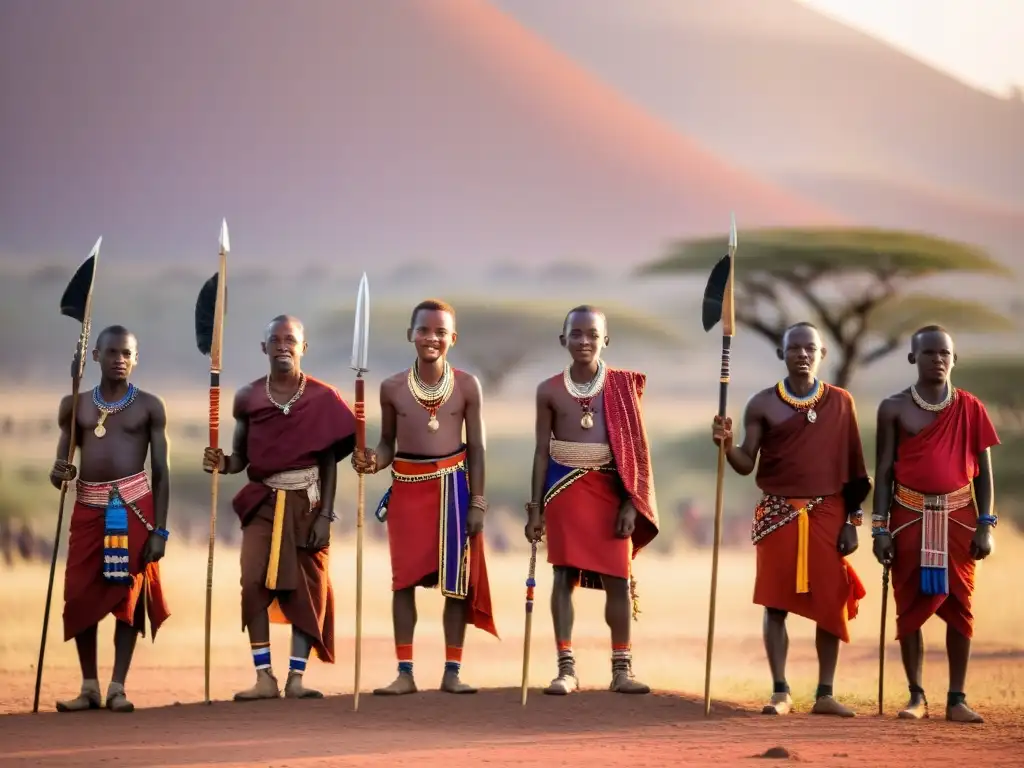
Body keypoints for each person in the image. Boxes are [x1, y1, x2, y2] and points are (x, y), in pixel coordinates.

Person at [711, 322, 870, 717]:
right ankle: (780, 691)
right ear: (781, 354)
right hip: (778, 512)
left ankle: (825, 693)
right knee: (775, 603)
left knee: (830, 600)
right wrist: (728, 446)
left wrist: (851, 519)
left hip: (829, 511)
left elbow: (853, 466)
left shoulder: (841, 402)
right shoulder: (762, 404)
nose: (802, 354)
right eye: (794, 348)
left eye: (809, 348)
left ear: (822, 355)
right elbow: (747, 464)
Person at [202, 315, 355, 701]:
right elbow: (239, 458)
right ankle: (263, 676)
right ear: (264, 348)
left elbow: (329, 463)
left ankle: (297, 678)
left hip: (308, 502)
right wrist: (220, 462)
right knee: (252, 579)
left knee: (308, 587)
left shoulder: (324, 398)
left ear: (304, 348)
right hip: (263, 500)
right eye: (275, 339)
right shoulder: (247, 397)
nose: (283, 345)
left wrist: (325, 515)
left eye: (291, 339)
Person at [352, 299, 497, 695]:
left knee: (456, 584)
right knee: (403, 582)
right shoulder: (391, 388)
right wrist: (370, 460)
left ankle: (452, 671)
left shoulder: (468, 385)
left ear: (453, 338)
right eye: (423, 330)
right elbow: (386, 445)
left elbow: (478, 448)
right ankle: (405, 672)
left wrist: (478, 502)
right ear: (410, 335)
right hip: (407, 488)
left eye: (439, 331)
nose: (431, 338)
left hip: (453, 489)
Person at [525, 306, 660, 695]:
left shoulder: (621, 386)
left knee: (619, 577)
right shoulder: (548, 390)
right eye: (576, 334)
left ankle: (622, 669)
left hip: (611, 490)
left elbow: (637, 449)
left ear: (606, 339)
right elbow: (540, 451)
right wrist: (535, 509)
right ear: (563, 339)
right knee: (563, 575)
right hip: (563, 488)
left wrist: (632, 503)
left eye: (592, 334)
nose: (584, 341)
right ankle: (566, 669)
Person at [872, 326, 999, 723]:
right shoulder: (892, 408)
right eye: (928, 353)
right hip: (907, 517)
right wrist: (878, 528)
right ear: (913, 358)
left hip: (960, 519)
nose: (938, 359)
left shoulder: (972, 408)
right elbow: (883, 470)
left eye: (944, 353)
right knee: (909, 607)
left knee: (960, 606)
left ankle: (956, 698)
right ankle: (916, 697)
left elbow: (983, 474)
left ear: (954, 359)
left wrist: (986, 524)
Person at [49, 325, 171, 713]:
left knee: (128, 596)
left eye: (127, 354)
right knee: (80, 592)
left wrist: (161, 531)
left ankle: (118, 686)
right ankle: (89, 686)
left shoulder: (151, 406)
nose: (120, 360)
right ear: (96, 356)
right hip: (88, 507)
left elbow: (162, 471)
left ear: (136, 359)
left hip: (134, 508)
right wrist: (61, 472)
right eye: (112, 352)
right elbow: (59, 472)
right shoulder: (76, 405)